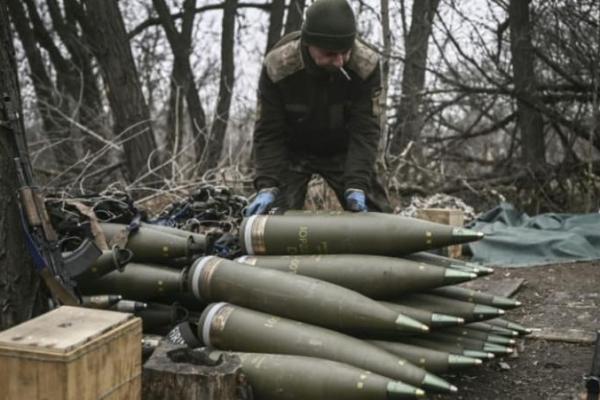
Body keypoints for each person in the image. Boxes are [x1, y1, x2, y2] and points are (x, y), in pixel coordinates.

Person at [245, 0, 391, 216]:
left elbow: (366, 130)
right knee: (272, 221)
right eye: (331, 54)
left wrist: (357, 183)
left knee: (379, 219)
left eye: (345, 52)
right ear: (309, 44)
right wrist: (268, 184)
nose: (340, 61)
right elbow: (268, 132)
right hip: (291, 151)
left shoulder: (365, 65)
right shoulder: (279, 66)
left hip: (345, 150)